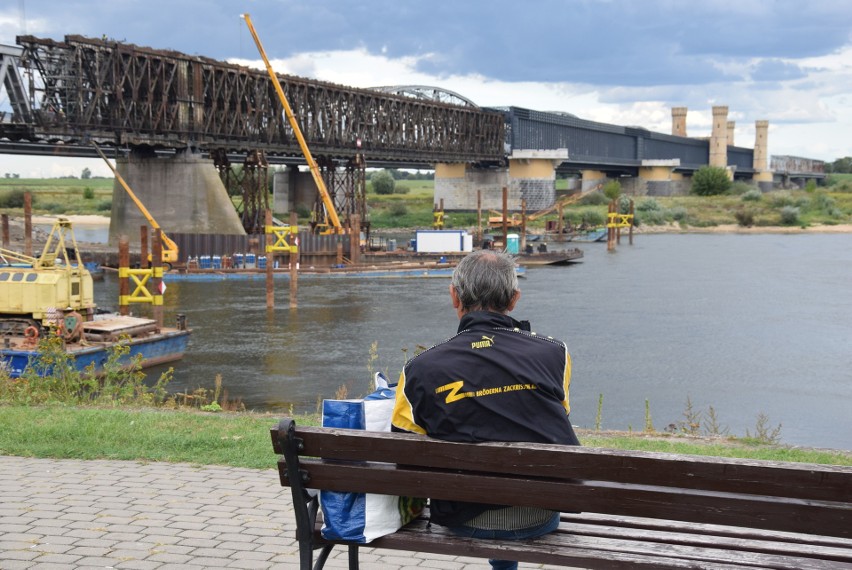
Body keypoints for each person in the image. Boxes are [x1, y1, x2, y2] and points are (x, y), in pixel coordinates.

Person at [391, 249, 580, 570]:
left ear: (454, 296)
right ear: (515, 299)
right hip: (539, 514)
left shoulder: (420, 369)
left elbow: (403, 448)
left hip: (461, 515)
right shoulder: (555, 354)